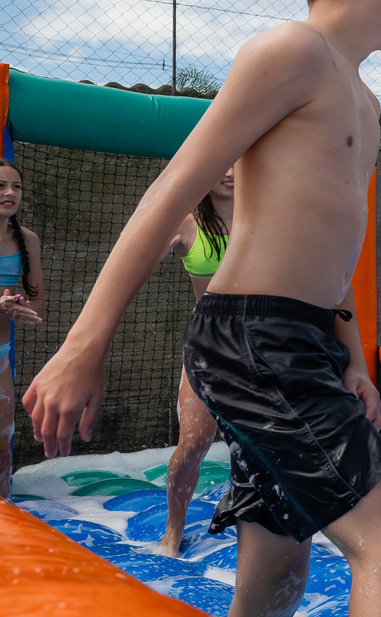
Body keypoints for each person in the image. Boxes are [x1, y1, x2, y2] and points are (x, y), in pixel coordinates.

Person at [22, 0, 381, 616]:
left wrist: (352, 360)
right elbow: (169, 192)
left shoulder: (364, 101)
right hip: (253, 334)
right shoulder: (293, 52)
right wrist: (83, 346)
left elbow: (336, 246)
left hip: (300, 340)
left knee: (279, 565)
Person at [156, 167, 234, 555]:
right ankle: (173, 531)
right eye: (223, 164)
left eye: (238, 163)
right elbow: (139, 255)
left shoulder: (265, 218)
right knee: (192, 445)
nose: (231, 172)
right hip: (208, 344)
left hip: (262, 343)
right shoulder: (188, 224)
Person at [0, 159, 45, 500]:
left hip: (1, 359)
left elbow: (38, 304)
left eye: (16, 186)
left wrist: (19, 309)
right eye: (1, 186)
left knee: (3, 447)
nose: (10, 193)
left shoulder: (27, 240)